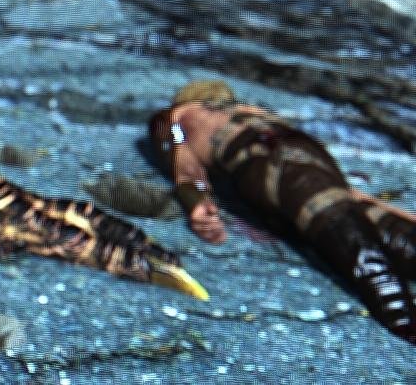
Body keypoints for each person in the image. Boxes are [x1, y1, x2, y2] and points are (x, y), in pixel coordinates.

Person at [150, 79, 416, 342]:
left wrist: (197, 203)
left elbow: (184, 171)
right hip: (302, 159)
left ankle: (406, 324)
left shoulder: (177, 118)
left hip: (278, 165)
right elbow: (348, 193)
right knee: (368, 234)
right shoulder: (231, 114)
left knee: (360, 250)